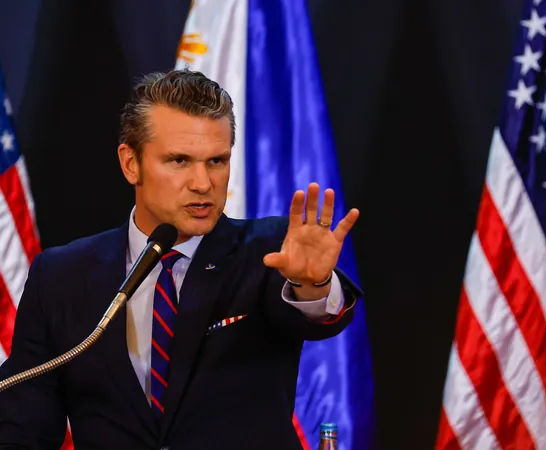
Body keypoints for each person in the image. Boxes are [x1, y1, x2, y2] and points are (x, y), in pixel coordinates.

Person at [0, 69, 363, 449]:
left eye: (216, 161)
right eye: (179, 161)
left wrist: (312, 285)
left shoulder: (269, 252)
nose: (203, 183)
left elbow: (317, 317)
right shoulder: (61, 276)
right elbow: (25, 427)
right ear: (131, 163)